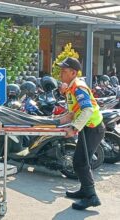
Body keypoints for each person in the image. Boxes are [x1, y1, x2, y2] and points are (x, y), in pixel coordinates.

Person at [56, 57, 105, 210]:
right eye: (61, 71)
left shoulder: (78, 87)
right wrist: (57, 121)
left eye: (64, 71)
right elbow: (74, 111)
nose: (60, 74)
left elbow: (88, 109)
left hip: (93, 128)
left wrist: (74, 128)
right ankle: (85, 190)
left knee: (80, 162)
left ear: (73, 73)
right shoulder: (71, 88)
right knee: (81, 161)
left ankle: (91, 197)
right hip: (88, 128)